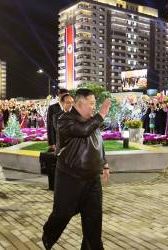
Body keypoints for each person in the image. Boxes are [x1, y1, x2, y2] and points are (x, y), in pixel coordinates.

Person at [42, 89, 111, 250]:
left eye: (95, 104)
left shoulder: (91, 120)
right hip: (70, 177)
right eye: (92, 103)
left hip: (92, 178)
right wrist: (100, 115)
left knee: (93, 218)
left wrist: (104, 163)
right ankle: (48, 234)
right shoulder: (64, 119)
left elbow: (99, 143)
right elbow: (83, 130)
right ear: (80, 103)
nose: (94, 107)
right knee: (62, 214)